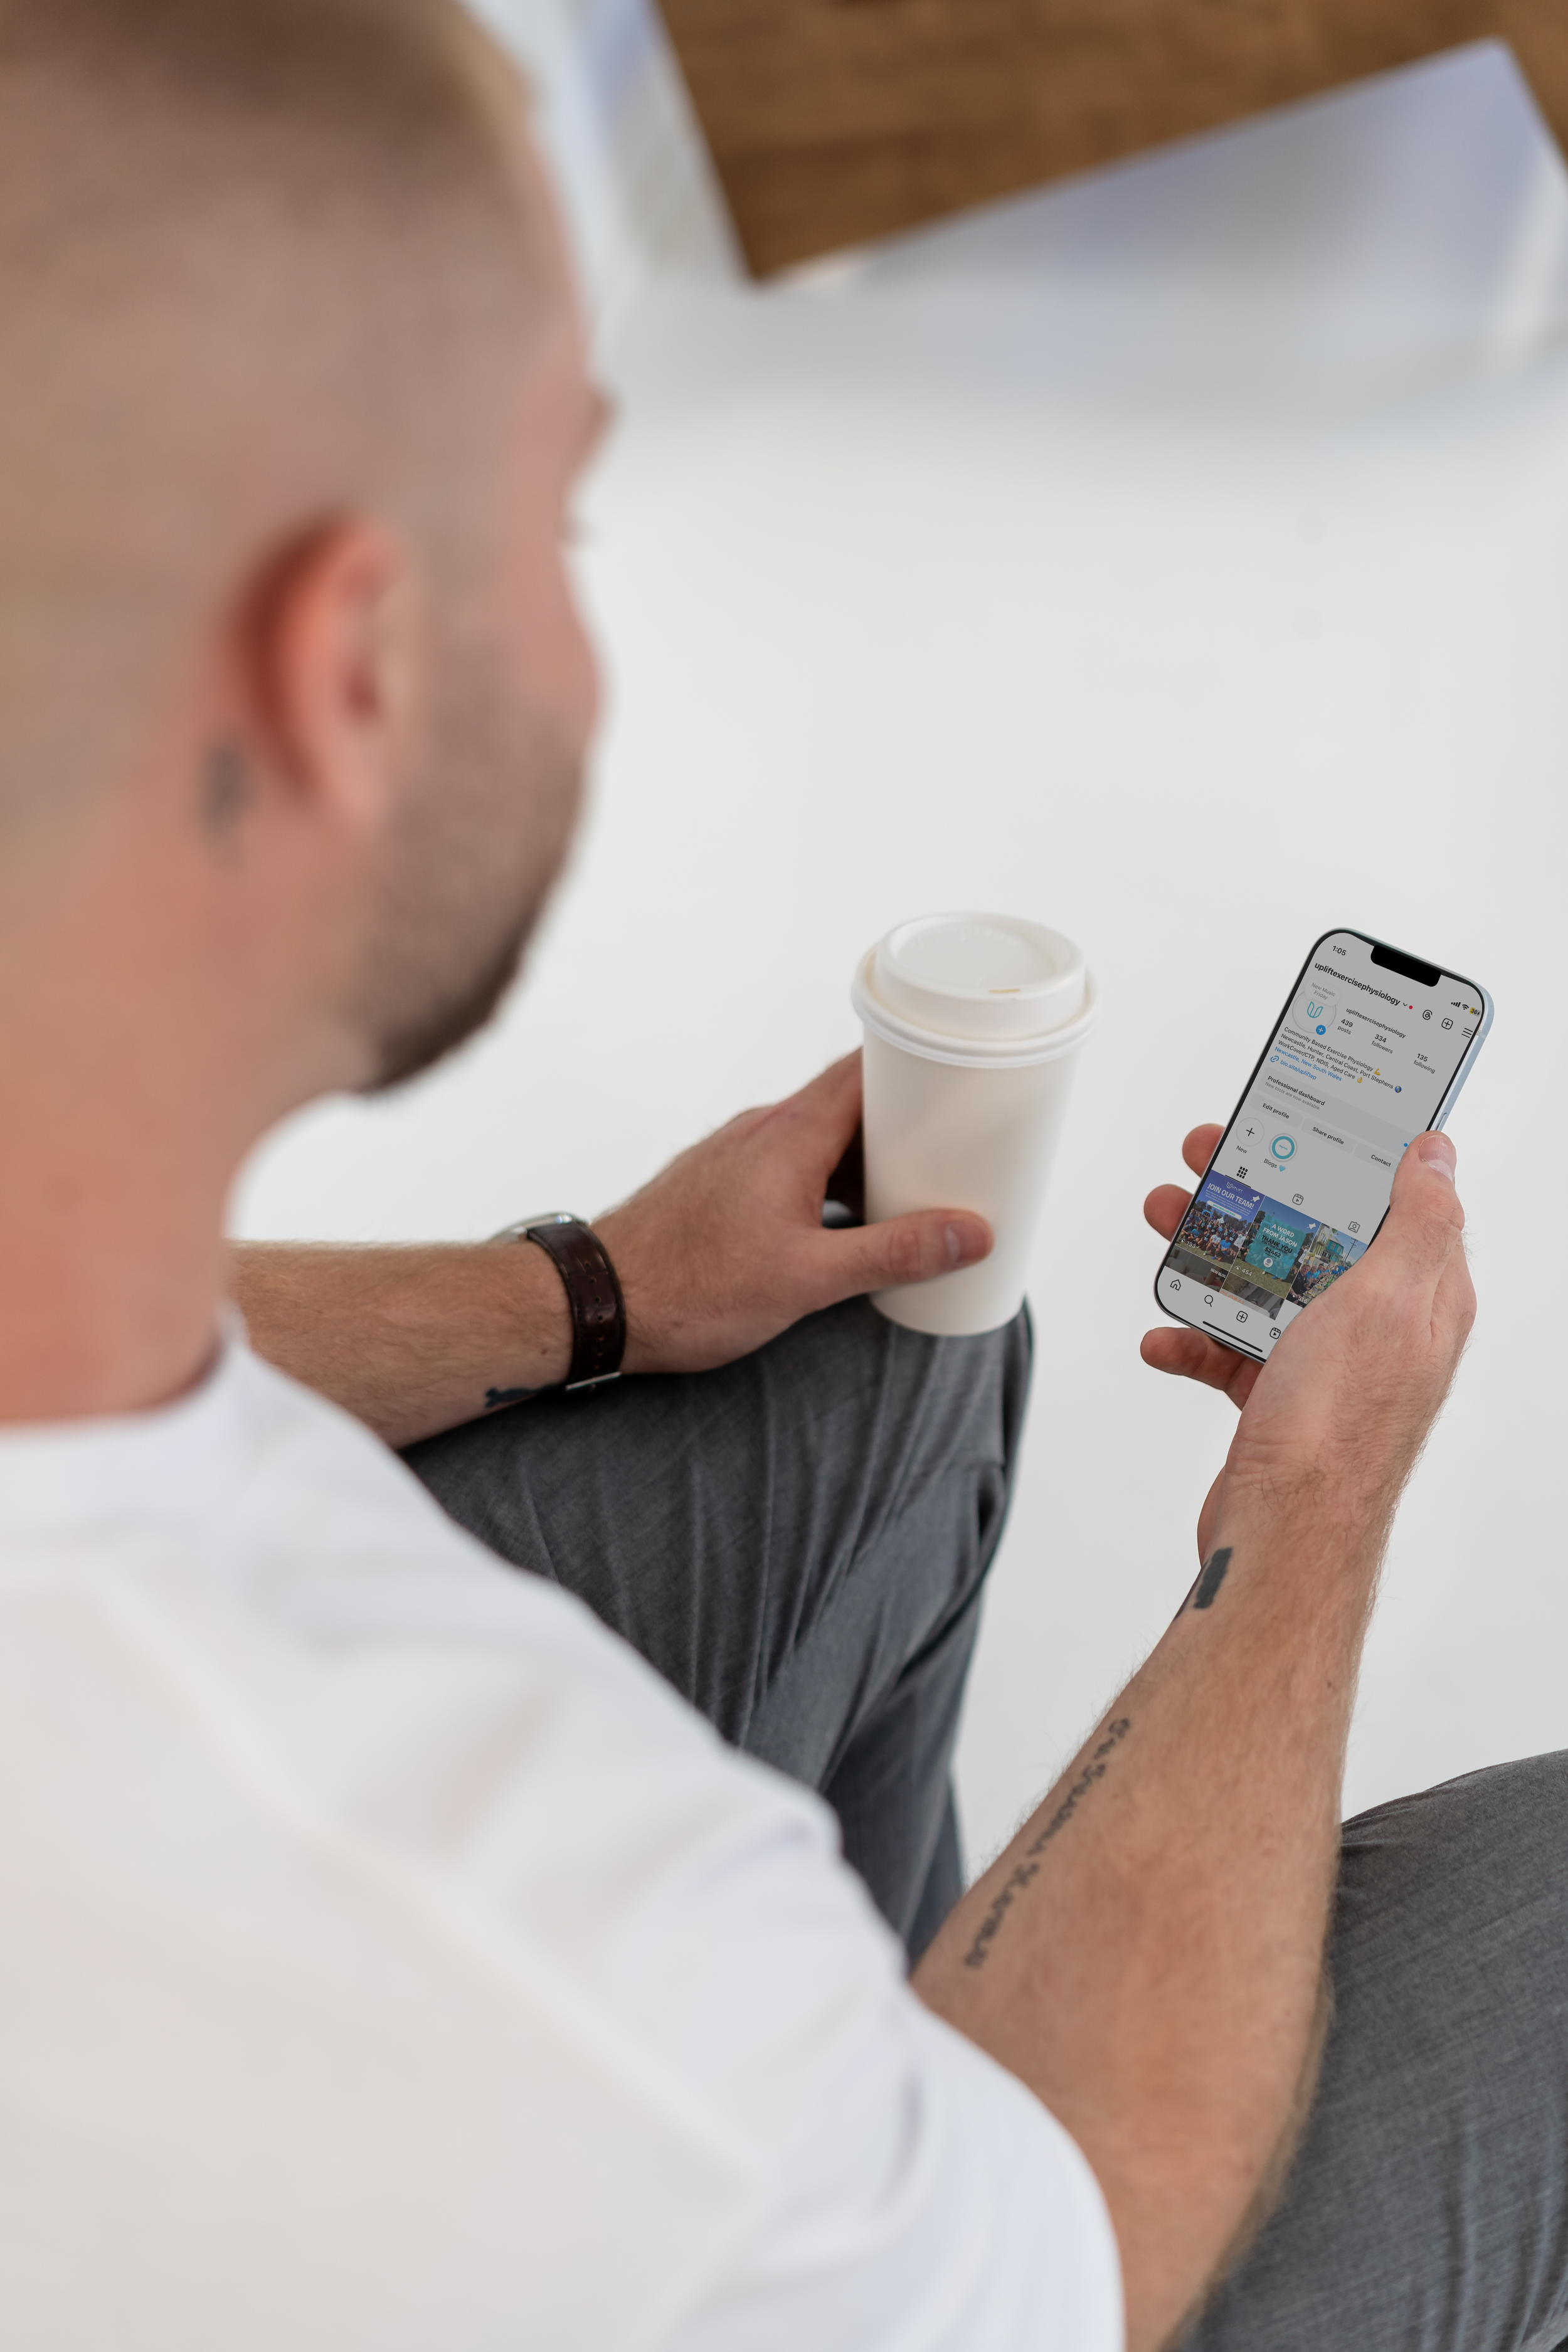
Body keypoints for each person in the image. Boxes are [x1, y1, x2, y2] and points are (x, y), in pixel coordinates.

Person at [0, 4, 1564, 2349]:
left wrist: (599, 1285)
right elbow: (1070, 2248)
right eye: (558, 510)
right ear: (344, 667)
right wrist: (1305, 1513)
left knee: (882, 1336)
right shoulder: (486, 1906)